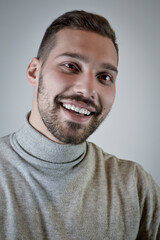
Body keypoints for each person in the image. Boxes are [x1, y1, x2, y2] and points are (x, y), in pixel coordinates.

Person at [0, 10, 159, 240]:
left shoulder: (135, 186)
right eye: (70, 66)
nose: (87, 90)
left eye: (104, 77)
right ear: (35, 72)